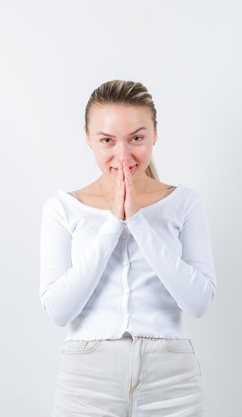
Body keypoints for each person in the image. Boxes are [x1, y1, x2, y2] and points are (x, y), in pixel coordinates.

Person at [39, 80, 217, 417]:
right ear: (88, 137)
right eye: (107, 140)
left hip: (172, 381)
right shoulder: (63, 208)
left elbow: (198, 302)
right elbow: (59, 310)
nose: (123, 156)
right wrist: (113, 225)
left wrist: (137, 221)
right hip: (86, 382)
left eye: (137, 138)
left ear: (154, 134)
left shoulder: (185, 203)